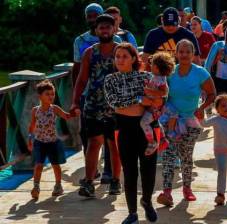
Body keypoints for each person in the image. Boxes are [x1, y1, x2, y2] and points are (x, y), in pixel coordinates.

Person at [104, 43, 160, 224]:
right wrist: (139, 100)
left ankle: (147, 201)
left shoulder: (146, 76)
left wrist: (148, 101)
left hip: (147, 128)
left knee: (149, 169)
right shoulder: (110, 79)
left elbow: (158, 98)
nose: (120, 60)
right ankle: (132, 213)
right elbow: (114, 102)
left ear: (134, 58)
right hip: (124, 128)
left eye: (124, 56)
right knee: (129, 171)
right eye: (117, 56)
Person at [157, 39, 216, 206]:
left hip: (191, 121)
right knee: (168, 156)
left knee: (186, 156)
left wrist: (202, 107)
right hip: (171, 121)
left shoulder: (200, 73)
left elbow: (212, 93)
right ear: (175, 54)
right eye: (181, 52)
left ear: (193, 54)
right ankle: (166, 192)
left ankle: (187, 189)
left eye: (187, 52)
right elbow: (160, 93)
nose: (184, 55)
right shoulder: (169, 73)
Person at [71, 14, 121, 197]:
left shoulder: (121, 50)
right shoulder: (90, 52)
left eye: (108, 27)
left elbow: (134, 73)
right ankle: (89, 182)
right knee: (93, 143)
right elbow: (82, 79)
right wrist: (75, 101)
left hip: (116, 106)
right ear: (96, 30)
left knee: (114, 144)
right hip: (93, 103)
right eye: (101, 27)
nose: (105, 30)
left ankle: (115, 180)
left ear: (114, 28)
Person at [28, 80, 76, 199]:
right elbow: (32, 126)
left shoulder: (54, 109)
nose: (51, 96)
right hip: (39, 142)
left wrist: (75, 111)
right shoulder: (35, 110)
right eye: (47, 94)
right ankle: (36, 186)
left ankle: (58, 185)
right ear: (40, 96)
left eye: (52, 94)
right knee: (38, 165)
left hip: (53, 143)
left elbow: (66, 116)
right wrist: (30, 139)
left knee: (55, 165)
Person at [200, 94, 227, 205]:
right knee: (222, 172)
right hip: (220, 152)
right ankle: (220, 194)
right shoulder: (215, 119)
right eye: (223, 106)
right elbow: (204, 124)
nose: (226, 108)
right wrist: (200, 114)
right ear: (217, 108)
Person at [140, 52, 175, 154]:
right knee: (155, 122)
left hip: (155, 108)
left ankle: (152, 142)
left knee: (144, 122)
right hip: (154, 107)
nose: (150, 66)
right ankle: (163, 139)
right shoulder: (155, 77)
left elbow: (164, 92)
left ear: (156, 67)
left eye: (152, 64)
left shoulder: (161, 80)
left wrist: (148, 91)